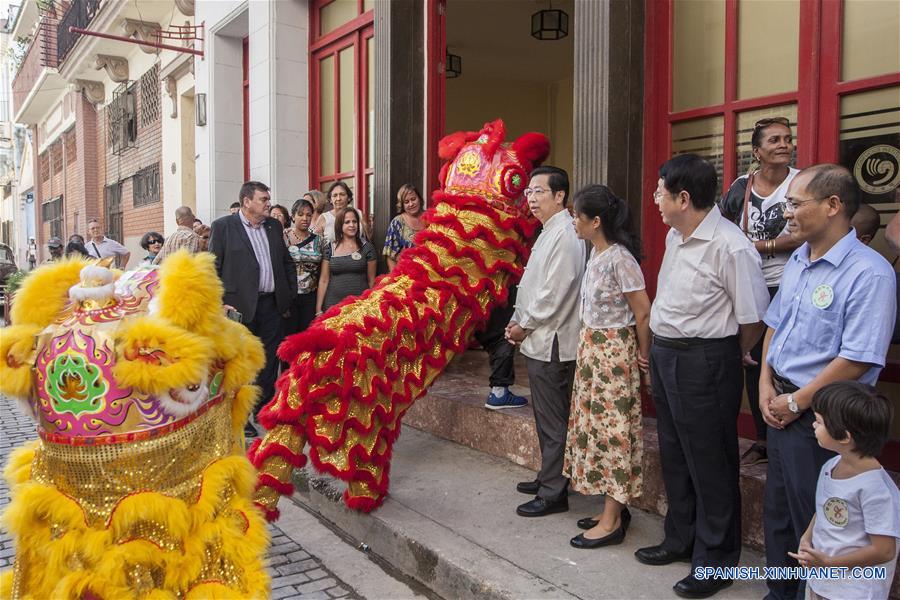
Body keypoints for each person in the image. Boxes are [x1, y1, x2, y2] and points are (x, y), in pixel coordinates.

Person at [759, 163, 896, 600]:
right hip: (780, 405)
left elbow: (857, 358)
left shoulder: (870, 273)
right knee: (779, 514)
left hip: (824, 419)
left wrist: (796, 402)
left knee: (816, 522)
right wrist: (764, 384)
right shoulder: (799, 259)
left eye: (795, 203)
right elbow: (775, 325)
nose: (787, 213)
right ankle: (780, 593)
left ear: (833, 205)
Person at [637, 154, 769, 599]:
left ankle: (715, 560)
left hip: (706, 359)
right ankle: (680, 538)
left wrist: (726, 354)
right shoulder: (675, 236)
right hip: (667, 353)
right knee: (675, 453)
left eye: (660, 192)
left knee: (711, 462)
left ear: (683, 197)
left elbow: (753, 318)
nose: (655, 199)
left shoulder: (731, 246)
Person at [564, 184, 651, 550]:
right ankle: (611, 509)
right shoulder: (596, 254)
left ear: (596, 221)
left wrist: (644, 357)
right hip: (592, 353)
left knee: (615, 433)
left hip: (614, 356)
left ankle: (612, 520)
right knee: (597, 431)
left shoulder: (620, 258)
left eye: (577, 216)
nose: (573, 222)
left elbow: (642, 312)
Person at [720, 116, 802, 468]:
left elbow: (803, 234)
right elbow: (723, 228)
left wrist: (759, 245)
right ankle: (763, 439)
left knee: (785, 360)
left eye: (787, 139)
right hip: (750, 283)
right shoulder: (742, 185)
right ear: (757, 151)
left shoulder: (801, 183)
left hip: (788, 281)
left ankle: (791, 435)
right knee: (753, 362)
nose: (784, 145)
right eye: (774, 140)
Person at [505, 166, 584, 518]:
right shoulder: (549, 230)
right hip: (538, 337)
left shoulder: (566, 234)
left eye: (539, 191)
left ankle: (554, 492)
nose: (531, 199)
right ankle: (549, 476)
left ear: (559, 195)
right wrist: (517, 320)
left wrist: (524, 324)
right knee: (546, 418)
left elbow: (554, 294)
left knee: (553, 422)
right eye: (529, 192)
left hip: (552, 341)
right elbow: (535, 287)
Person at [788, 382, 899, 600]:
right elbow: (824, 508)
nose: (813, 425)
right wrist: (807, 537)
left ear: (844, 437)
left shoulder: (876, 490)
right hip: (822, 582)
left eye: (819, 422)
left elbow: (885, 550)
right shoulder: (831, 465)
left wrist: (829, 563)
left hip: (855, 591)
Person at [210, 181, 296, 437]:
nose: (268, 203)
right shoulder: (223, 227)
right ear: (246, 202)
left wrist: (288, 294)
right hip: (238, 308)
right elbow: (213, 268)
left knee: (268, 361)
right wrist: (218, 303)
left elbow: (286, 262)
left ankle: (262, 408)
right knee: (241, 364)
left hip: (272, 305)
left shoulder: (273, 226)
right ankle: (240, 415)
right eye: (263, 199)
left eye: (268, 199)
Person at [316, 206, 376, 314]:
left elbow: (371, 281)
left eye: (354, 221)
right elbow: (324, 280)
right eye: (347, 222)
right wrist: (318, 309)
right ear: (340, 225)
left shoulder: (367, 248)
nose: (352, 225)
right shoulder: (330, 248)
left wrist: (370, 306)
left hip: (359, 307)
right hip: (332, 306)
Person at [285, 198, 324, 335]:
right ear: (293, 216)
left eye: (308, 215)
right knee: (288, 337)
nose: (305, 218)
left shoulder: (319, 241)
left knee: (307, 336)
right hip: (289, 296)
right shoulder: (283, 237)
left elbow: (323, 273)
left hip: (310, 297)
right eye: (300, 214)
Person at [383, 184, 425, 271]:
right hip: (406, 274)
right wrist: (394, 276)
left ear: (419, 199)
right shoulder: (397, 223)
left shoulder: (430, 218)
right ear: (402, 205)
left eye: (413, 199)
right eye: (406, 202)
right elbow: (390, 256)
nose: (411, 204)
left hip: (432, 274)